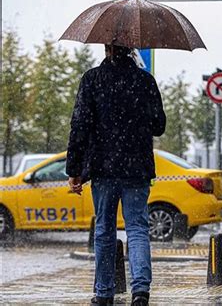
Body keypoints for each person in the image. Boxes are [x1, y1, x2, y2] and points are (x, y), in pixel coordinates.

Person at [66, 44, 166, 306]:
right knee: (137, 228)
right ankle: (140, 291)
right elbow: (159, 126)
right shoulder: (145, 81)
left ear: (107, 48)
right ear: (131, 49)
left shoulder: (93, 79)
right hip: (137, 167)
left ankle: (103, 293)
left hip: (103, 168)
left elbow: (80, 125)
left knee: (104, 230)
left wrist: (74, 169)